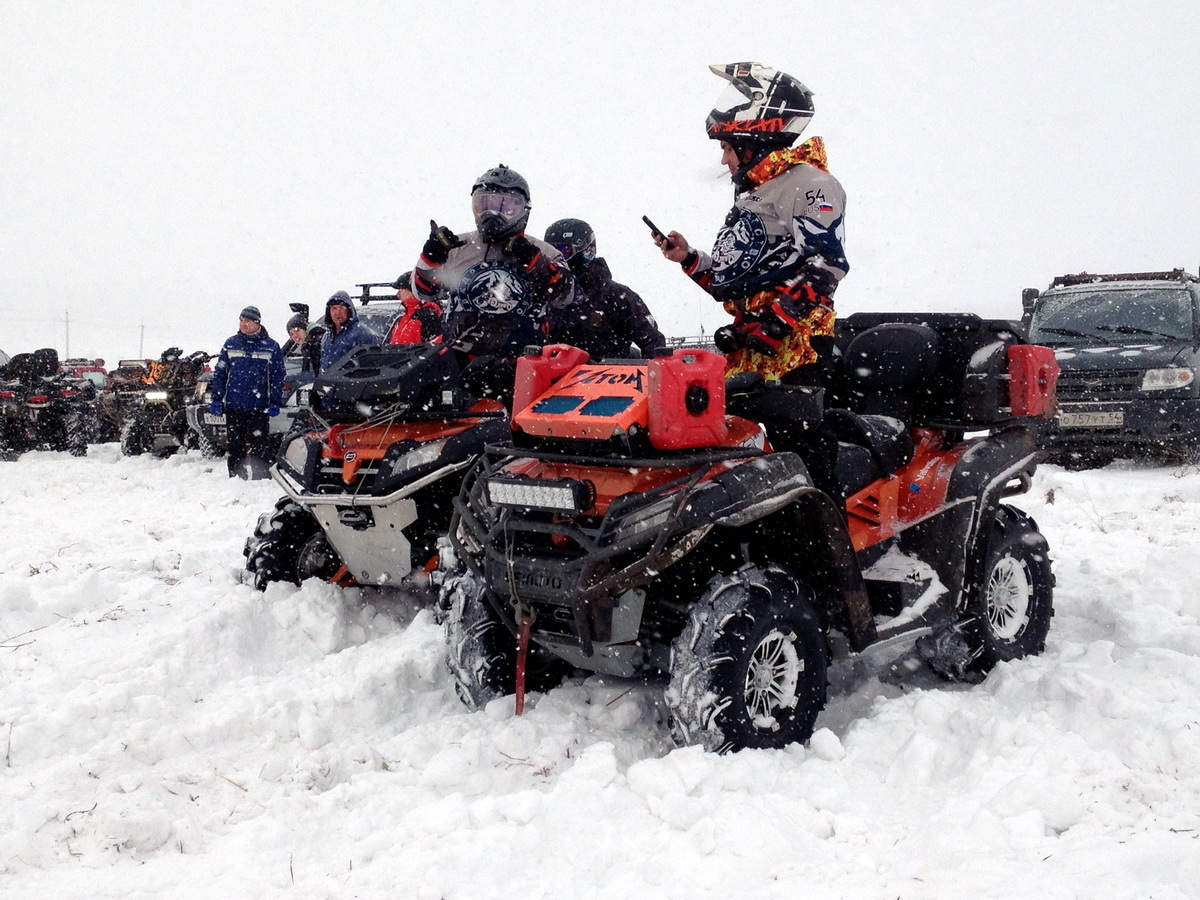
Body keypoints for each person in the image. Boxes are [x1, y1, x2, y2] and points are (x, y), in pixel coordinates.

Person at [653, 61, 848, 386]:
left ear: (752, 138)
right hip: (753, 350)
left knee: (795, 434)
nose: (723, 159)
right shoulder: (754, 193)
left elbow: (826, 267)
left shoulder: (807, 182)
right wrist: (687, 258)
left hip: (797, 349)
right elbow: (733, 281)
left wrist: (775, 324)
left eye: (726, 148)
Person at [412, 164, 574, 360]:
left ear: (523, 210)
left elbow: (566, 295)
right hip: (458, 361)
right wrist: (431, 259)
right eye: (485, 205)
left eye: (505, 207)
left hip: (525, 363)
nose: (493, 214)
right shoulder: (457, 247)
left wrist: (535, 261)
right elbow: (423, 292)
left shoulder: (545, 252)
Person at [544, 218, 667, 358]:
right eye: (551, 254)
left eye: (563, 252)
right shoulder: (544, 297)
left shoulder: (617, 296)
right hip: (554, 376)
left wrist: (651, 375)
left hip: (612, 376)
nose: (558, 260)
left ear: (586, 251)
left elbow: (654, 344)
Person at [209, 306, 286, 479]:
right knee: (235, 445)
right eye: (241, 320)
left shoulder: (271, 346)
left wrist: (275, 400)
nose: (244, 324)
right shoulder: (231, 343)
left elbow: (278, 375)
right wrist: (217, 398)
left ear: (257, 323)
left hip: (259, 407)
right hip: (234, 406)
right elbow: (220, 372)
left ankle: (261, 477)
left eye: (248, 321)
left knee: (260, 444)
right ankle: (236, 477)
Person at [319, 290, 381, 372]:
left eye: (342, 308)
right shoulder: (327, 337)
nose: (338, 312)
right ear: (329, 312)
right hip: (328, 383)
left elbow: (374, 369)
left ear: (349, 310)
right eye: (334, 308)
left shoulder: (364, 334)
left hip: (352, 383)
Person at [386, 271, 443, 345]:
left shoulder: (428, 317)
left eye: (401, 290)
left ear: (413, 291)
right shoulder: (404, 317)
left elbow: (433, 351)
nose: (398, 295)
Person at [281, 305, 324, 374]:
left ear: (305, 328)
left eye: (297, 330)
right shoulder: (306, 345)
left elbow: (322, 372)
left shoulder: (318, 342)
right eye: (291, 334)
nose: (295, 335)